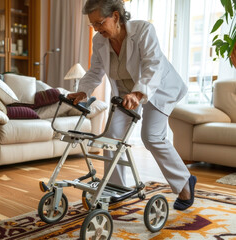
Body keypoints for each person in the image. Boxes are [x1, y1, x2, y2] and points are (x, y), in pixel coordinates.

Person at [67, 0, 196, 211]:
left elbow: (152, 64)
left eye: (100, 23)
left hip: (159, 88)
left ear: (116, 16)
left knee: (151, 136)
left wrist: (139, 92)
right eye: (93, 25)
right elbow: (95, 70)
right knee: (111, 137)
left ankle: (185, 182)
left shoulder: (143, 30)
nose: (97, 29)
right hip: (125, 93)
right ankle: (116, 188)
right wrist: (84, 90)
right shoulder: (100, 41)